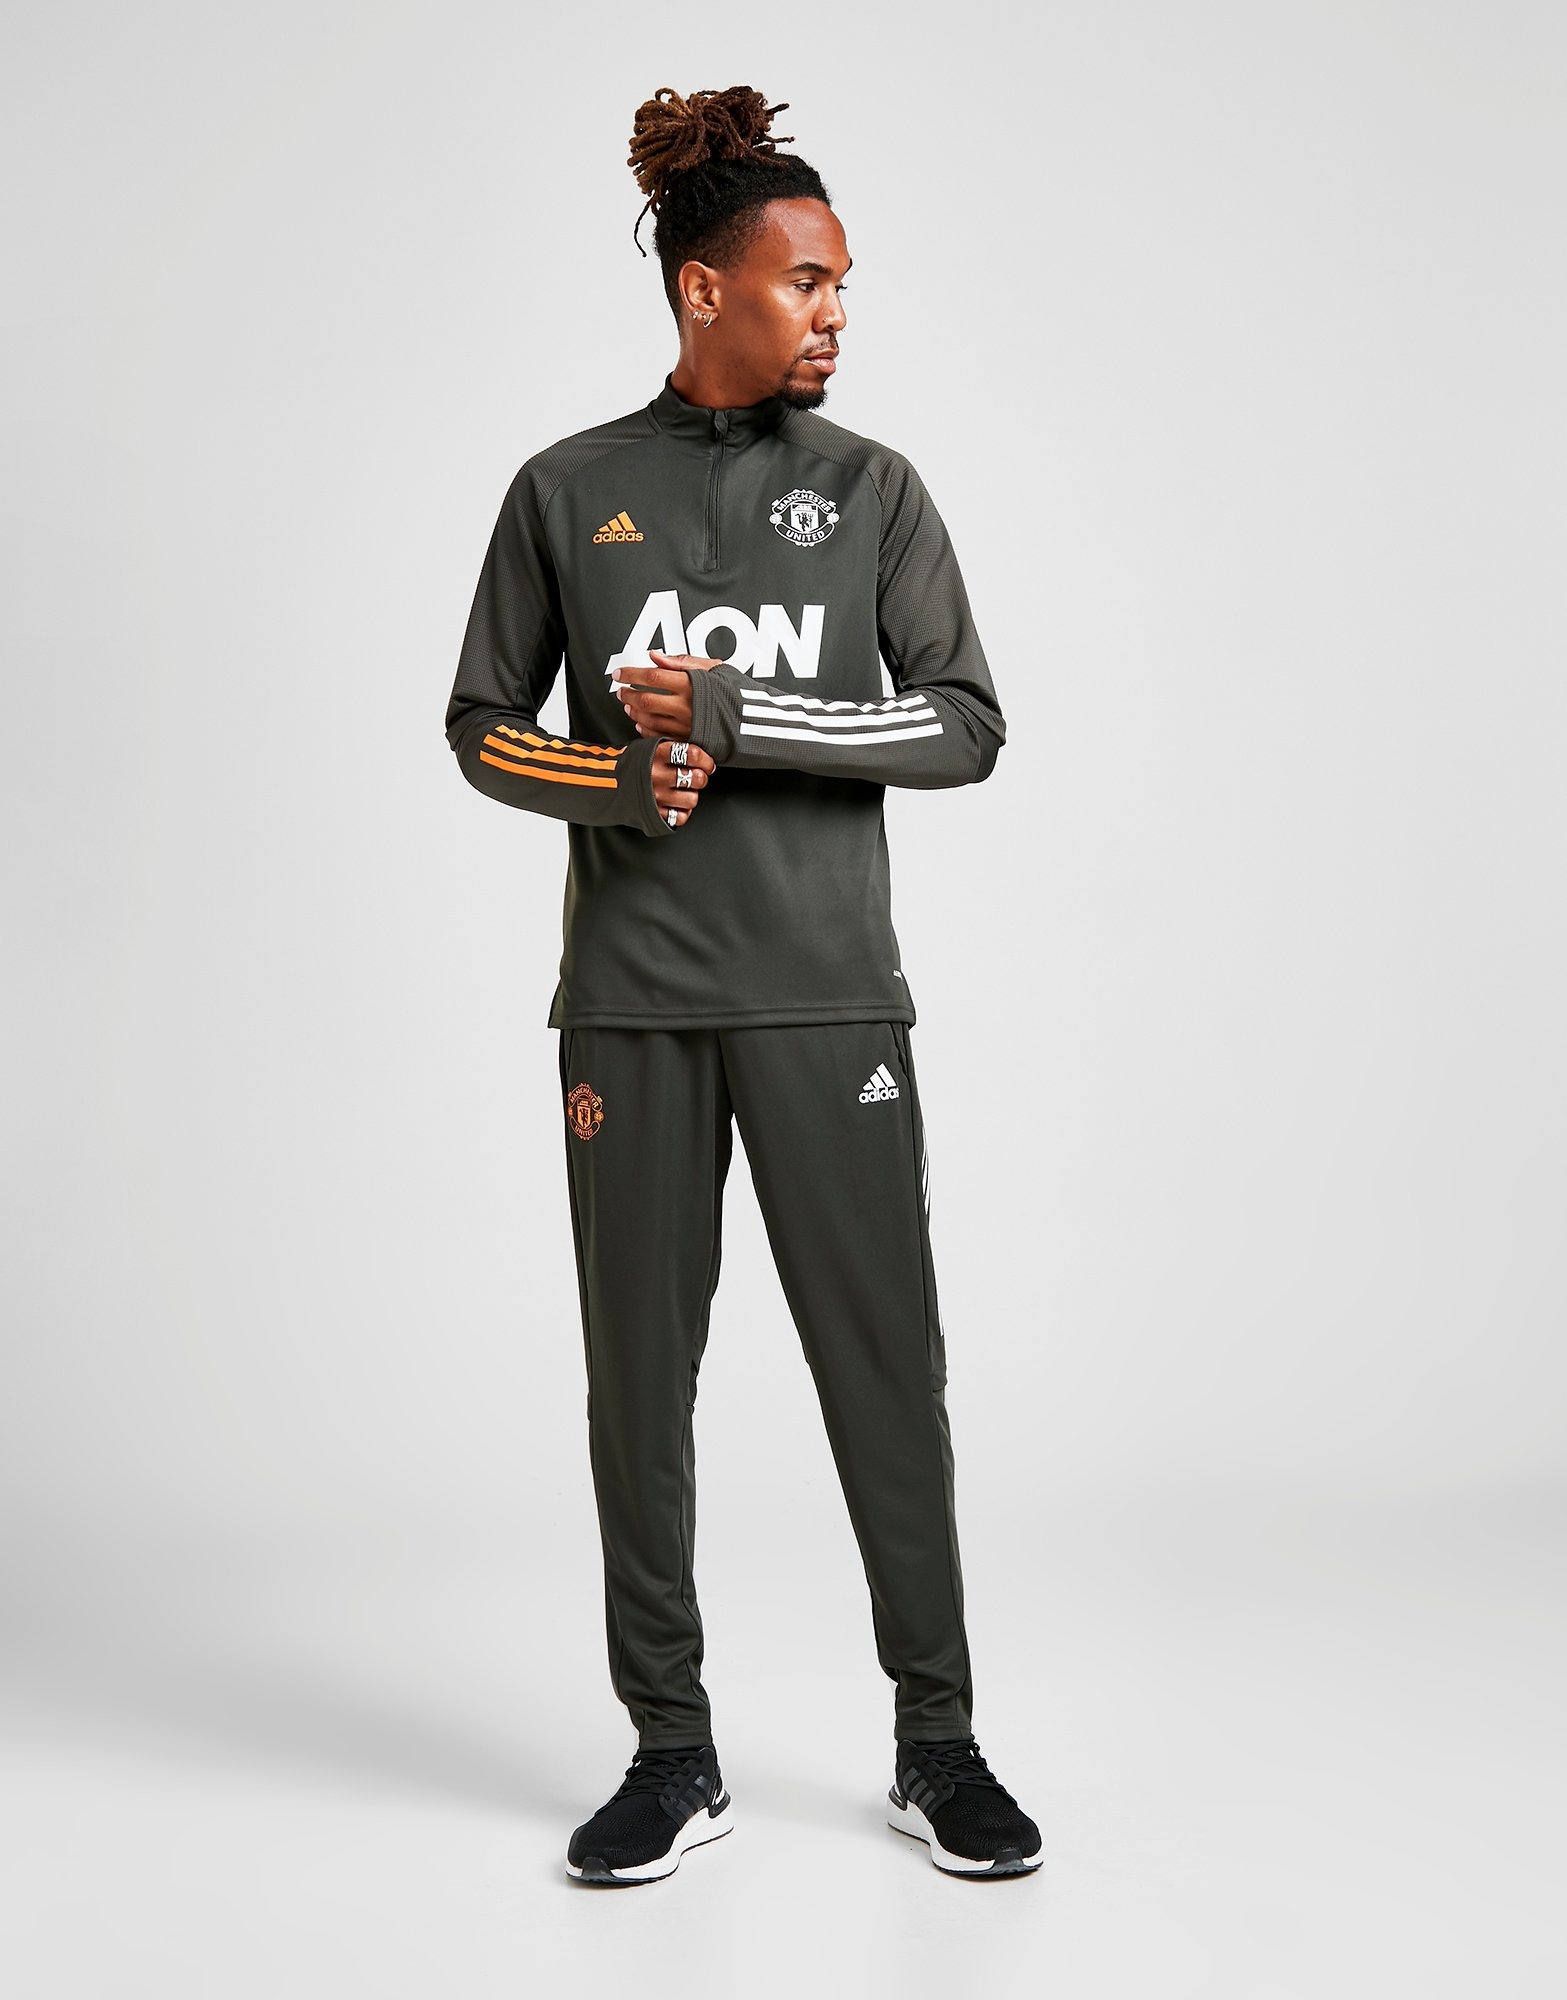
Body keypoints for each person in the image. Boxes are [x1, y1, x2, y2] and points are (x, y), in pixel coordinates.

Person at [443, 83, 1041, 1884]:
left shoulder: (872, 492)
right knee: (639, 1387)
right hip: (629, 1005)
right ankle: (670, 1751)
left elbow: (964, 726)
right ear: (708, 289)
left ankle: (938, 1746)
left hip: (827, 1000)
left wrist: (738, 712)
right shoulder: (567, 491)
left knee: (885, 1375)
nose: (838, 310)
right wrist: (616, 779)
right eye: (808, 281)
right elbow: (481, 727)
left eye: (843, 281)